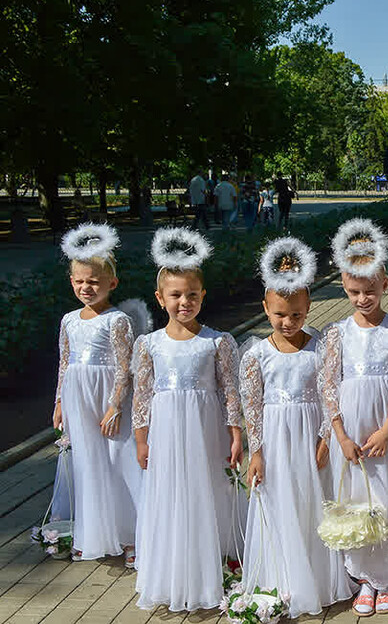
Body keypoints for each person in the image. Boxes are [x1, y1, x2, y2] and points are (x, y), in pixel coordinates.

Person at [240, 237, 354, 618]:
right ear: (266, 309)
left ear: (308, 308)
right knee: (279, 499)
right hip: (274, 437)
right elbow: (252, 407)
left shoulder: (320, 346)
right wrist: (256, 452)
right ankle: (281, 576)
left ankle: (317, 576)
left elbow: (330, 394)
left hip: (310, 434)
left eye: (297, 315)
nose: (288, 324)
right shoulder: (256, 353)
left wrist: (325, 438)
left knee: (311, 501)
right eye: (279, 316)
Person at [132, 227, 243, 611]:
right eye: (176, 295)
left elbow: (231, 390)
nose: (185, 302)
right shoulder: (148, 344)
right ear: (160, 298)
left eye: (192, 295)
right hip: (165, 431)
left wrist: (235, 434)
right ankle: (173, 567)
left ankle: (212, 563)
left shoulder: (217, 341)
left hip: (205, 430)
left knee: (207, 489)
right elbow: (142, 397)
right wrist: (141, 439)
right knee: (170, 494)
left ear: (203, 296)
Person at [318, 218, 388, 617]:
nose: (363, 299)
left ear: (385, 285)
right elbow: (328, 386)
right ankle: (363, 577)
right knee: (357, 499)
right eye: (355, 291)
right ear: (344, 284)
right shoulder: (336, 332)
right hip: (352, 430)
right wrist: (340, 435)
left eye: (370, 290)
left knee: (387, 494)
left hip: (385, 426)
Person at [54, 224, 142, 566]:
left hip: (108, 396)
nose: (85, 287)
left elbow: (125, 366)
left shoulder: (117, 320)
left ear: (111, 283)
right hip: (77, 394)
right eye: (79, 281)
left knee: (118, 460)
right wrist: (59, 401)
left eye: (93, 281)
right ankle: (93, 534)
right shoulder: (69, 320)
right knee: (88, 463)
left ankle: (131, 533)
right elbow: (64, 362)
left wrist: (115, 405)